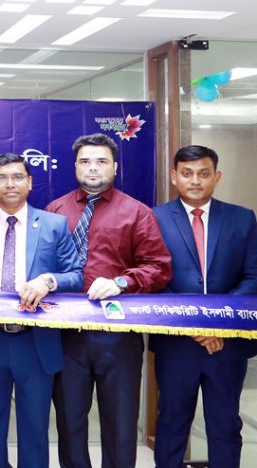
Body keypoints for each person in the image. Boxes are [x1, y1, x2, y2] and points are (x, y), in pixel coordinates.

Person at [46, 133, 171, 468]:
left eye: (101, 161)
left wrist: (121, 282)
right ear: (75, 166)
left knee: (120, 424)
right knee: (69, 423)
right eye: (85, 161)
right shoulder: (54, 211)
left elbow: (159, 268)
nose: (93, 168)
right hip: (64, 335)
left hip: (118, 336)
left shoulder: (137, 213)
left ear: (115, 167)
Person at [0, 153, 82, 468]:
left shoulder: (53, 224)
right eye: (1, 178)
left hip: (36, 340)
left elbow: (76, 276)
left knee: (35, 428)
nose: (10, 184)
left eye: (17, 177)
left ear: (30, 182)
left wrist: (49, 280)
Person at [152, 145, 257, 468]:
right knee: (171, 423)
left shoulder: (242, 218)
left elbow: (253, 276)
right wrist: (194, 326)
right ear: (174, 177)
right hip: (176, 343)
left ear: (217, 177)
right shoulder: (154, 218)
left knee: (225, 425)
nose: (195, 180)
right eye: (187, 173)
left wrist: (219, 324)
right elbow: (153, 279)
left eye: (203, 173)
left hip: (227, 344)